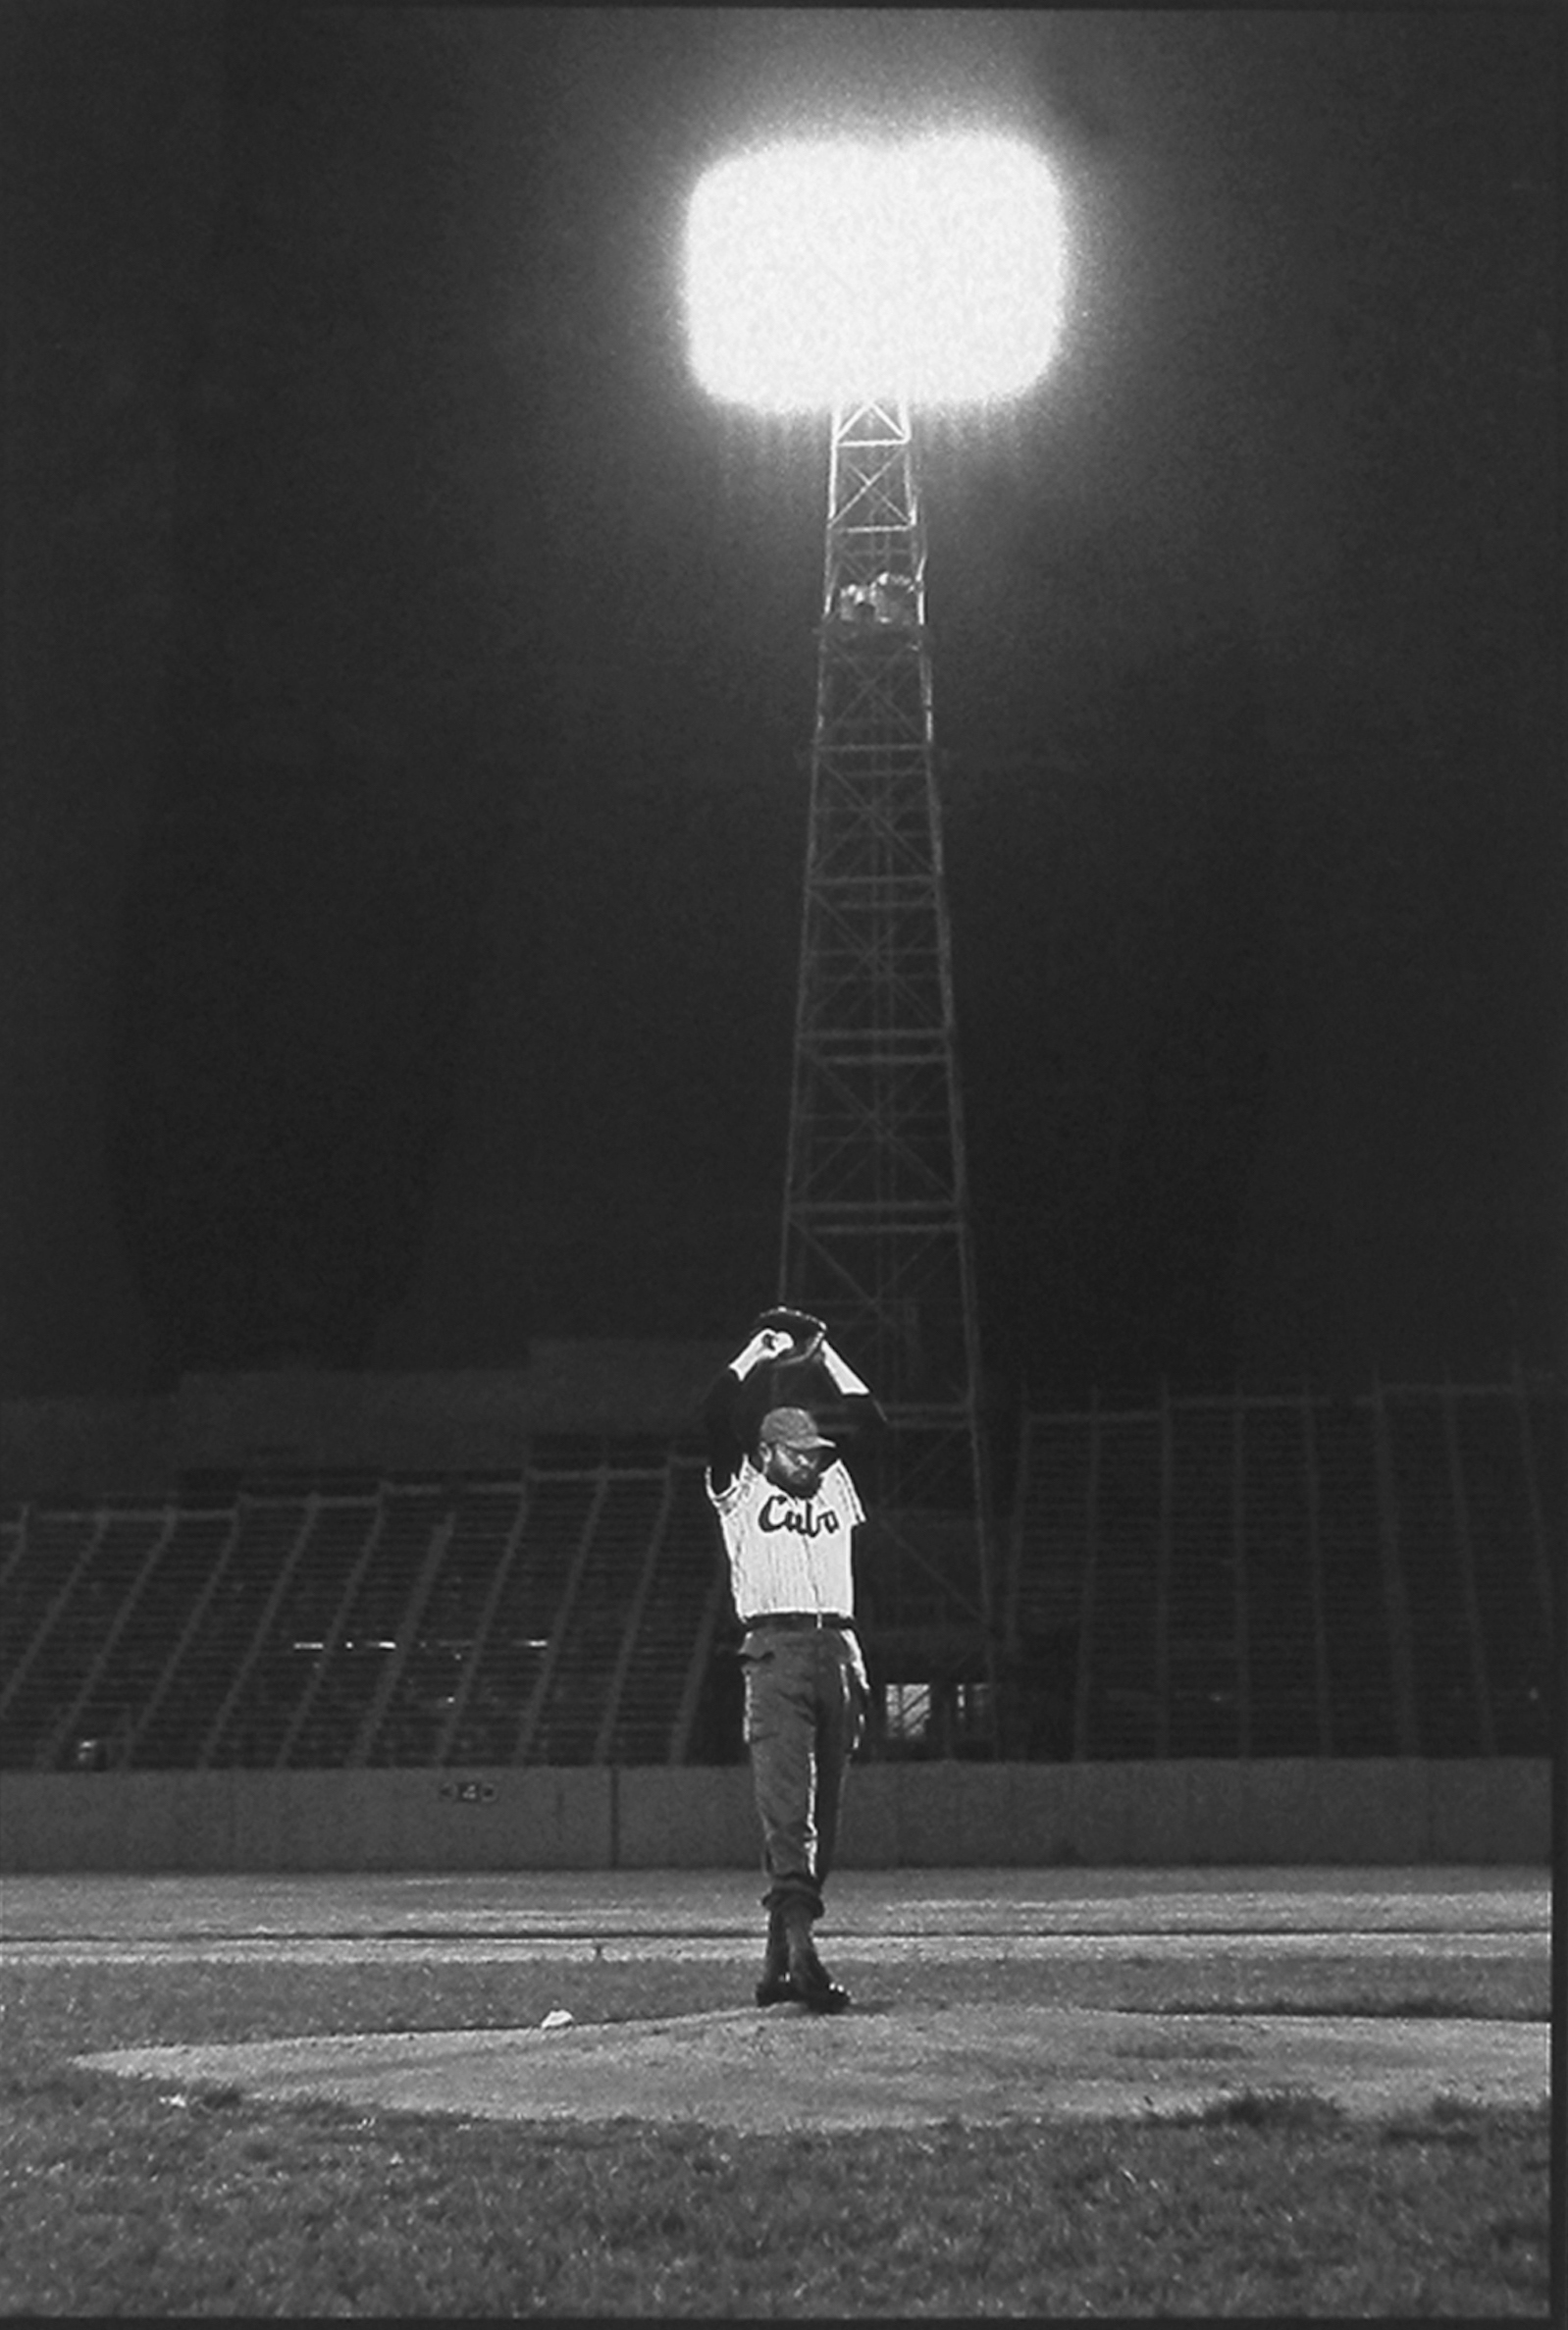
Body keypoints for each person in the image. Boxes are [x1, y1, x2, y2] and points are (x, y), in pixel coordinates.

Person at [702, 1305, 885, 2013]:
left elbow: (875, 1424)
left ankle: (777, 1964)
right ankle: (804, 1960)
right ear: (768, 1452)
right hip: (774, 1649)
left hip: (841, 1649)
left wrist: (824, 1355)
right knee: (788, 1811)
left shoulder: (834, 1485)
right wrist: (759, 1350)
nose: (814, 1461)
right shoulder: (739, 1489)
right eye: (800, 1452)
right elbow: (714, 1414)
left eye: (816, 1452)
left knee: (824, 1818)